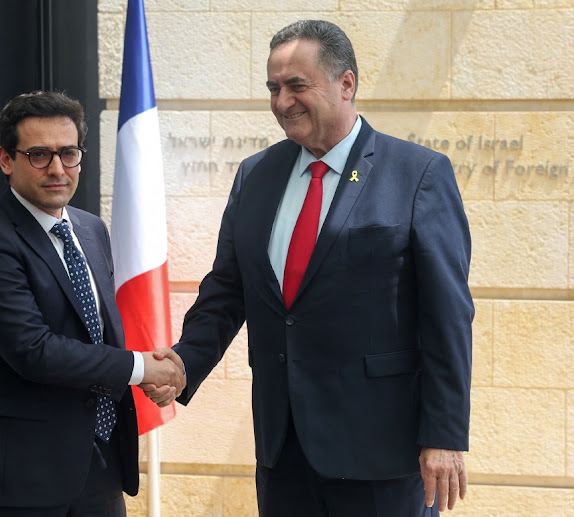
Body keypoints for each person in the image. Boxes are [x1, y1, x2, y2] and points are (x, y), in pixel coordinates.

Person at [144, 19, 473, 516]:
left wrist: (445, 434)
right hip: (284, 449)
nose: (282, 102)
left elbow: (447, 315)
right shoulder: (256, 175)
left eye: (297, 85)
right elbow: (228, 289)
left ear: (346, 84)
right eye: (274, 88)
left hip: (381, 453)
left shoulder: (418, 174)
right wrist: (187, 360)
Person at [0, 91, 185, 517]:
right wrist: (140, 368)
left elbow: (97, 333)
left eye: (68, 153)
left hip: (100, 465)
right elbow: (34, 351)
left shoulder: (91, 230)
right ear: (6, 160)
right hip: (18, 480)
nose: (57, 169)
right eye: (39, 155)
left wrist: (152, 375)